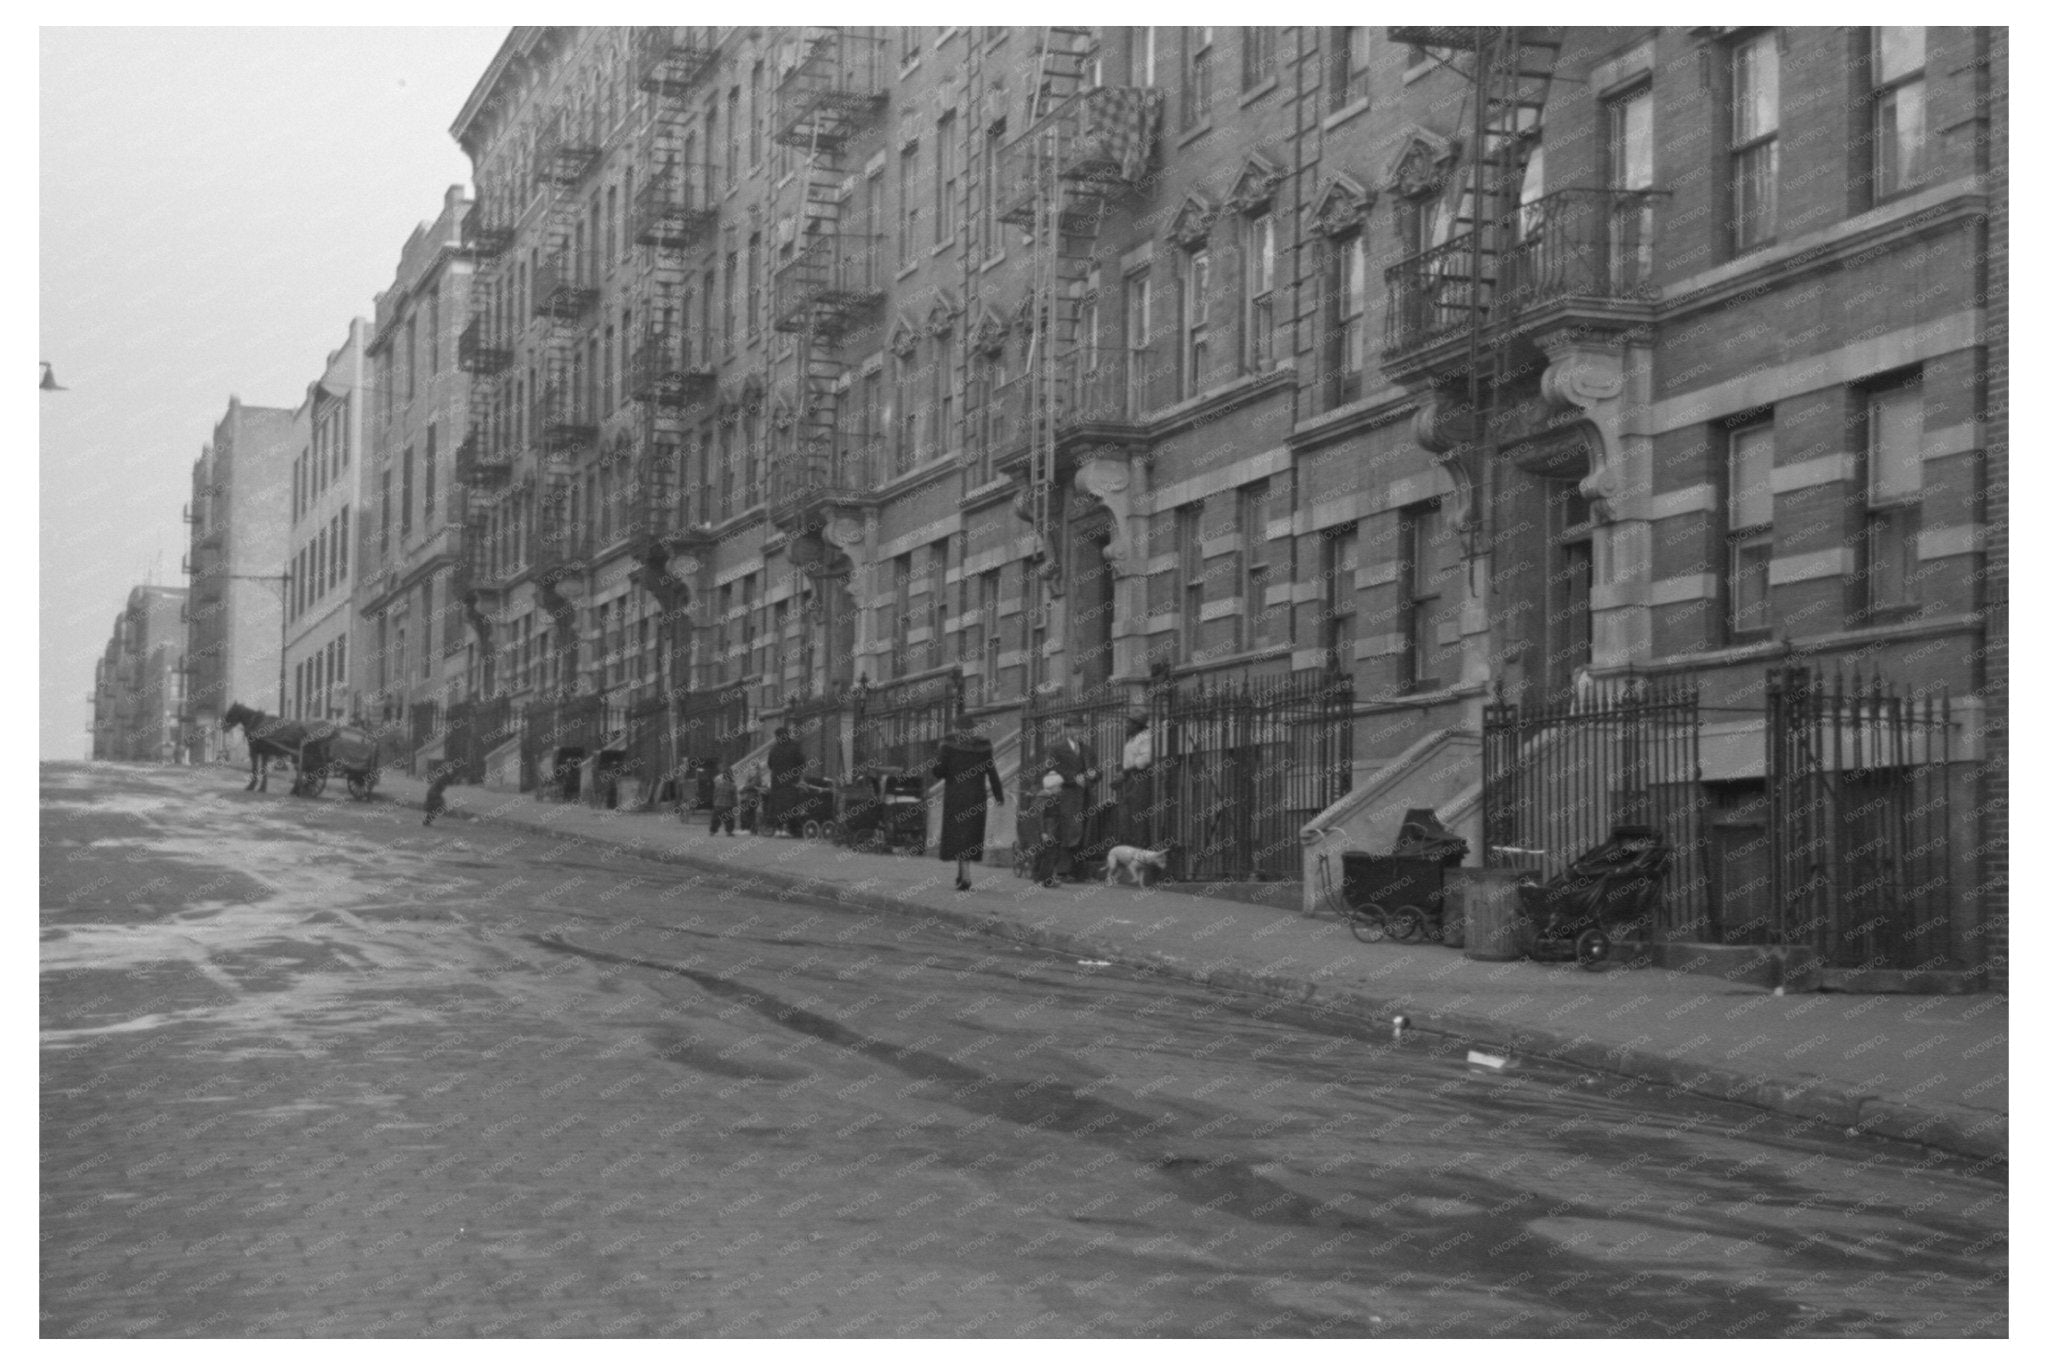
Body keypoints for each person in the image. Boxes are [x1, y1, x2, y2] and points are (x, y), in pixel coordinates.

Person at [931, 721, 1005, 891]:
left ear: (958, 728)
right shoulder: (983, 747)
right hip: (976, 796)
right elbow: (992, 771)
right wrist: (998, 794)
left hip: (955, 797)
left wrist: (938, 759)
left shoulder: (949, 745)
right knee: (970, 836)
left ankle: (965, 875)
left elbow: (939, 772)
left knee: (958, 836)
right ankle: (962, 873)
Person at [1044, 715, 1099, 882]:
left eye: (1080, 728)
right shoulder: (1056, 748)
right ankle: (1063, 871)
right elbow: (1052, 769)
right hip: (1066, 796)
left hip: (1085, 797)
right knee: (1068, 832)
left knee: (1084, 833)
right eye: (1074, 728)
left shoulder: (1088, 749)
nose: (1077, 731)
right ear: (1066, 729)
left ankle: (1079, 872)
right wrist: (1072, 778)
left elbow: (1097, 770)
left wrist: (1094, 774)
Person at [1117, 710, 1154, 849]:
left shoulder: (1145, 737)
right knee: (1127, 816)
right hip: (1129, 779)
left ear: (1137, 725)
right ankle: (1130, 849)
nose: (1126, 726)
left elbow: (1145, 759)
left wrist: (1126, 771)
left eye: (1129, 723)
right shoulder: (1132, 739)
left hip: (1139, 778)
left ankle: (1140, 850)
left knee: (1138, 815)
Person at [765, 726, 808, 837]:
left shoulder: (774, 749)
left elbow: (769, 764)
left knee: (777, 805)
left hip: (776, 782)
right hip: (791, 781)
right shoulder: (794, 746)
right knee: (790, 804)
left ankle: (778, 828)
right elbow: (802, 763)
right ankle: (789, 828)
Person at [422, 760, 456, 827]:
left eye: (451, 768)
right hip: (434, 794)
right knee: (438, 808)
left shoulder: (444, 776)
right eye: (449, 768)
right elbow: (439, 783)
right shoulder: (443, 777)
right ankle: (426, 821)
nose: (451, 770)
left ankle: (426, 821)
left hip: (433, 793)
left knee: (435, 809)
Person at [709, 766, 738, 836]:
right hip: (728, 805)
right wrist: (735, 805)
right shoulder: (733, 786)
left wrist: (714, 803)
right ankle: (729, 831)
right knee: (729, 819)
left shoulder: (719, 785)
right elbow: (734, 798)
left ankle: (713, 831)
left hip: (718, 804)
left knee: (715, 819)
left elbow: (715, 795)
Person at [737, 765, 763, 834]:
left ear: (757, 770)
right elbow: (749, 786)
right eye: (750, 769)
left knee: (749, 814)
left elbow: (751, 786)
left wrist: (743, 787)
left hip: (752, 798)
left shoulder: (757, 778)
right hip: (747, 797)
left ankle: (747, 829)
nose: (751, 771)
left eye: (753, 769)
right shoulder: (750, 778)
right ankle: (748, 829)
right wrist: (742, 789)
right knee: (748, 813)